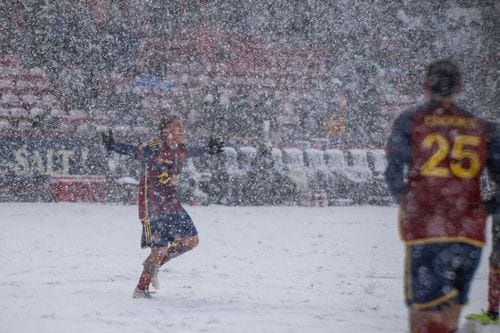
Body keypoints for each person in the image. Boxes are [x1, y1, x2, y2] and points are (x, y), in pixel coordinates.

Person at [385, 59, 500, 333]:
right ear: (460, 87)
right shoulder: (482, 127)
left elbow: (392, 171)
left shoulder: (411, 121)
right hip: (467, 231)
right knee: (451, 306)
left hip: (426, 229)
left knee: (422, 309)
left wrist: (408, 202)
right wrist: (486, 208)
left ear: (425, 86)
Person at [102, 115, 223, 298]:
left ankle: (155, 263)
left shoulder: (182, 149)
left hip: (172, 204)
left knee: (191, 241)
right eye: (176, 126)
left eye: (182, 126)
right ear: (165, 130)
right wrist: (113, 146)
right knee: (159, 250)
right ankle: (141, 289)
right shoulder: (154, 148)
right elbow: (133, 150)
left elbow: (195, 151)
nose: (181, 130)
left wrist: (209, 149)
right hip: (153, 206)